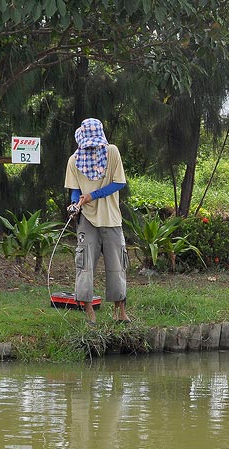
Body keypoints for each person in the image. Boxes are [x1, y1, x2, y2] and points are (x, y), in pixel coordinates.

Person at [65, 118, 130, 324]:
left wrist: (93, 195)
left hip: (111, 219)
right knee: (85, 265)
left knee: (117, 266)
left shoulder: (112, 153)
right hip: (88, 221)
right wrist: (75, 205)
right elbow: (75, 190)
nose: (93, 148)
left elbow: (119, 183)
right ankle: (89, 313)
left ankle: (120, 312)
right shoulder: (74, 161)